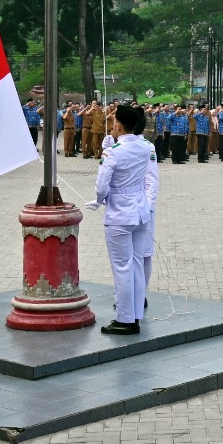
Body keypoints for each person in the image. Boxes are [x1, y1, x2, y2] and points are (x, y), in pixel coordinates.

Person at [92, 104, 156, 335]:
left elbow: (101, 186)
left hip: (120, 214)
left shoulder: (114, 152)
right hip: (140, 213)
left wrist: (100, 199)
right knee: (136, 265)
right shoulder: (144, 147)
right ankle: (135, 315)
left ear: (118, 125)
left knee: (122, 267)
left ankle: (125, 319)